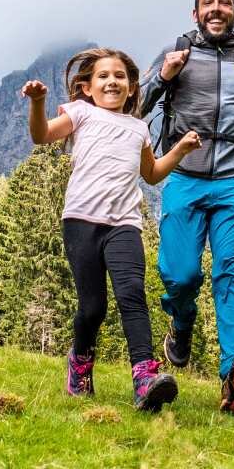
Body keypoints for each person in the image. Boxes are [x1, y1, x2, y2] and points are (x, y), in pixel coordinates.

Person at [138, 0, 234, 415]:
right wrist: (164, 77)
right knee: (180, 274)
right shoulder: (176, 53)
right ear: (195, 12)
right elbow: (137, 106)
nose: (216, 9)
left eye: (224, 2)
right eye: (208, 2)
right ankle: (181, 326)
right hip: (183, 176)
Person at [22, 49, 202, 412]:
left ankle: (144, 377)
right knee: (93, 308)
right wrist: (39, 102)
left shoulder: (138, 128)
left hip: (125, 224)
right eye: (103, 76)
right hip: (81, 221)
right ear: (87, 87)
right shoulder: (81, 113)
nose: (112, 82)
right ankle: (80, 363)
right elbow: (41, 136)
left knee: (132, 295)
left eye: (120, 76)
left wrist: (180, 150)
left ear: (132, 87)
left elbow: (150, 174)